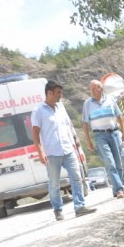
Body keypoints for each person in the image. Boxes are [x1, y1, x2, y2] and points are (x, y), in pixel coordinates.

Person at [31, 80, 96, 221]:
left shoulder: (61, 107)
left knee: (76, 177)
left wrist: (75, 139)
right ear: (49, 93)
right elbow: (35, 132)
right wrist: (40, 152)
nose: (61, 95)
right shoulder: (38, 111)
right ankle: (58, 209)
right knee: (54, 183)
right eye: (58, 92)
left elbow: (68, 124)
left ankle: (79, 207)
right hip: (52, 153)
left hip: (68, 149)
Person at [82, 79, 124, 199]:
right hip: (100, 136)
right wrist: (88, 141)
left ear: (101, 88)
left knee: (118, 163)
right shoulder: (87, 104)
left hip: (114, 133)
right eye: (91, 89)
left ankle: (118, 189)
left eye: (95, 88)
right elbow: (85, 124)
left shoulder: (110, 100)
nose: (92, 91)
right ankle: (119, 189)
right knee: (110, 162)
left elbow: (119, 117)